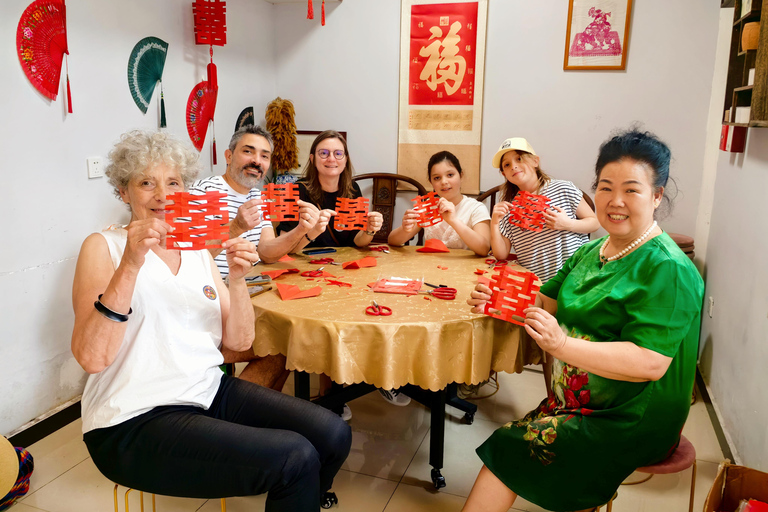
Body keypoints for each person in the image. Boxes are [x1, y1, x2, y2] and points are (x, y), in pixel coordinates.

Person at [71, 130, 351, 511]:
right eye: (146, 183)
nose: (162, 195)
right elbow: (92, 358)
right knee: (294, 458)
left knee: (333, 433)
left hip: (204, 390)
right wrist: (132, 264)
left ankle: (304, 499)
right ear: (124, 192)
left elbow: (237, 341)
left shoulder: (198, 249)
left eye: (172, 182)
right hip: (132, 417)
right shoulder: (103, 246)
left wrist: (236, 279)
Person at [462, 129, 704, 512]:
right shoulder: (594, 250)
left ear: (657, 196)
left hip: (630, 413)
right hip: (577, 398)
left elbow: (650, 363)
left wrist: (561, 345)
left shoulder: (668, 268)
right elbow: (546, 300)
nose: (615, 201)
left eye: (632, 190)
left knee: (507, 449)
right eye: (605, 188)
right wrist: (500, 299)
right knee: (513, 445)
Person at [190, 125, 321, 391]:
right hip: (211, 296)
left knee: (292, 335)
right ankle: (234, 411)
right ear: (228, 155)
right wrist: (235, 227)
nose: (256, 161)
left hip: (249, 288)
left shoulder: (259, 196)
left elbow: (267, 252)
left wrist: (301, 229)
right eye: (248, 151)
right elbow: (191, 259)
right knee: (283, 343)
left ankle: (252, 411)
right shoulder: (203, 192)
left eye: (264, 156)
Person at [490, 137, 599, 284]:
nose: (513, 166)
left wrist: (567, 224)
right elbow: (501, 254)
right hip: (538, 285)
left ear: (535, 161)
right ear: (504, 174)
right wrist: (494, 223)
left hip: (576, 277)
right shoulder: (509, 208)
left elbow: (594, 222)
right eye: (507, 165)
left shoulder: (563, 188)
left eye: (519, 158)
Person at [276, 130, 384, 252]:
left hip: (344, 263)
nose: (331, 159)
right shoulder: (296, 190)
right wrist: (312, 232)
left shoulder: (352, 189)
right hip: (306, 263)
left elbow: (357, 241)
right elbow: (284, 246)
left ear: (345, 160)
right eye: (323, 153)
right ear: (312, 159)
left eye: (338, 153)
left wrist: (369, 231)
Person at [388, 151, 491, 256]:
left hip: (465, 268)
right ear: (431, 182)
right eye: (437, 178)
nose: (444, 182)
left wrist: (453, 221)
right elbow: (392, 241)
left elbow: (484, 248)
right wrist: (405, 229)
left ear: (461, 175)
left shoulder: (475, 208)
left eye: (450, 175)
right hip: (431, 267)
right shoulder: (427, 208)